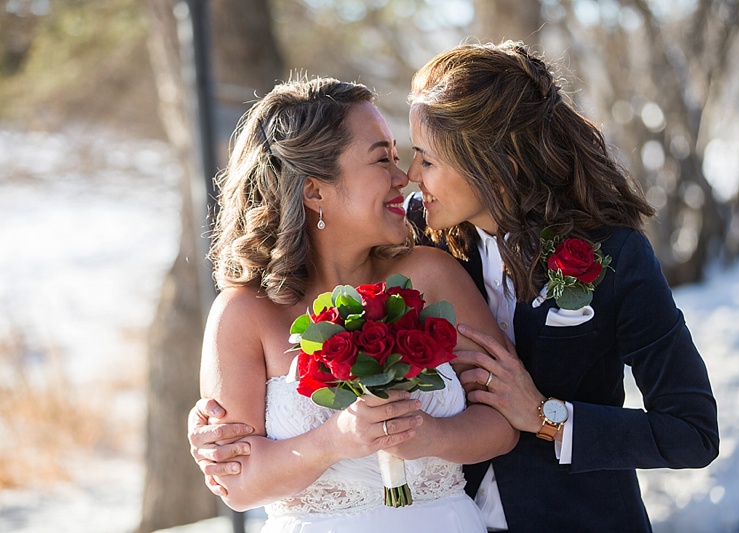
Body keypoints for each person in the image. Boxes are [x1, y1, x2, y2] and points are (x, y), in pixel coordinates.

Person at [190, 41, 719, 532]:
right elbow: (246, 448)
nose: (410, 176)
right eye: (396, 157)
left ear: (496, 167)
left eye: (426, 158)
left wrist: (547, 418)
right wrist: (213, 430)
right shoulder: (413, 231)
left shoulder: (610, 256)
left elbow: (692, 432)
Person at [194, 74, 517, 533]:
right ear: (314, 191)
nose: (403, 178)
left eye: (398, 157)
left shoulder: (433, 276)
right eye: (382, 159)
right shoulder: (244, 313)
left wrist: (431, 435)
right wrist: (337, 440)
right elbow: (238, 481)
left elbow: (504, 424)